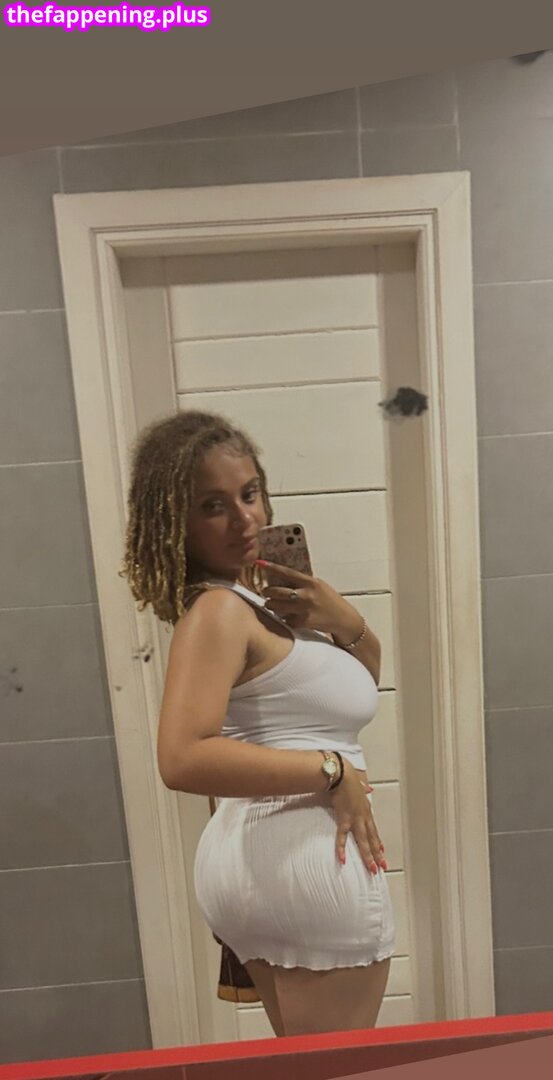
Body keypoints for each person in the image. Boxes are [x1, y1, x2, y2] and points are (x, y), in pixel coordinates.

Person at [121, 409, 395, 1036]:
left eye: (249, 494)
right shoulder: (218, 612)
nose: (245, 519)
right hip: (304, 862)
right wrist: (331, 771)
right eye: (213, 506)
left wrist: (342, 619)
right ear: (176, 523)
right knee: (342, 1072)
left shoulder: (257, 606)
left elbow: (359, 687)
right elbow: (182, 758)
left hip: (268, 862)